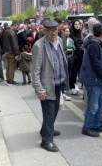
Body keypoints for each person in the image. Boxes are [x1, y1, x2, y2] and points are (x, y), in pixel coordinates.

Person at [31, 19, 69, 152]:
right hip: (47, 85)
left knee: (54, 110)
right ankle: (46, 141)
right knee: (49, 113)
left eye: (55, 29)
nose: (53, 32)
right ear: (44, 31)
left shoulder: (59, 40)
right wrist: (39, 89)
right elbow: (35, 70)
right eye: (50, 30)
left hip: (58, 83)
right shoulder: (39, 46)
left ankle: (46, 129)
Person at [80, 23, 102, 137]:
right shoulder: (94, 44)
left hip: (97, 79)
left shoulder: (96, 43)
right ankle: (88, 126)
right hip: (93, 79)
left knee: (101, 103)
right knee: (93, 105)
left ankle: (97, 124)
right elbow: (96, 63)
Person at [2, 21, 20, 86]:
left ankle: (8, 79)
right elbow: (15, 44)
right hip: (12, 52)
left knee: (8, 66)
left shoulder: (6, 31)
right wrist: (17, 53)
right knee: (12, 67)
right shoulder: (12, 33)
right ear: (14, 25)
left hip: (6, 51)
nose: (17, 28)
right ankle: (10, 80)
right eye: (17, 27)